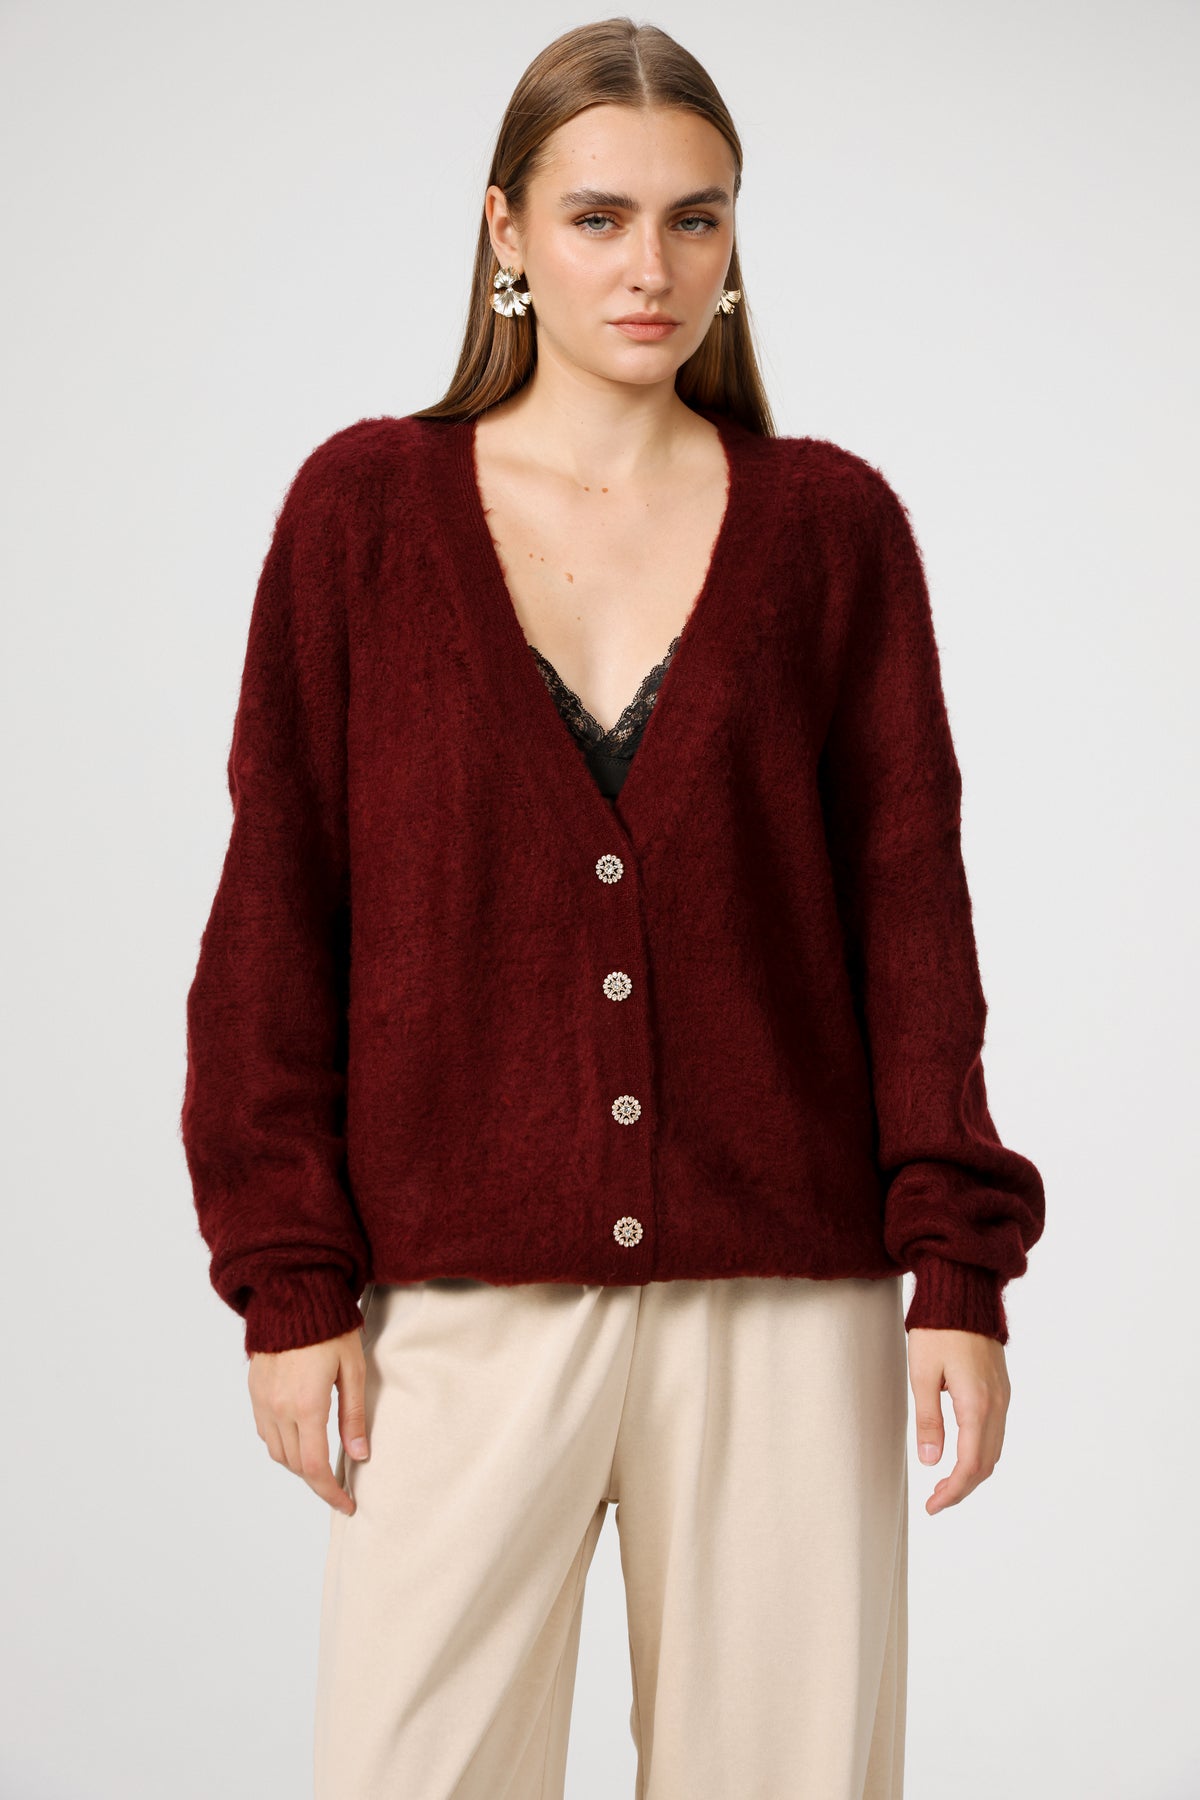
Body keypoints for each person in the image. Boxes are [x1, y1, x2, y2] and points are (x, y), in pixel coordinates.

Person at [179, 17, 1046, 1798]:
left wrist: (957, 1270)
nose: (650, 268)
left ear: (734, 241)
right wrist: (288, 1279)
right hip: (458, 1301)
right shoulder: (363, 514)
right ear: (506, 229)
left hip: (785, 1297)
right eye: (598, 218)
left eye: (694, 218)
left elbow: (912, 921)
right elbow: (277, 909)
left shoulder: (831, 530)